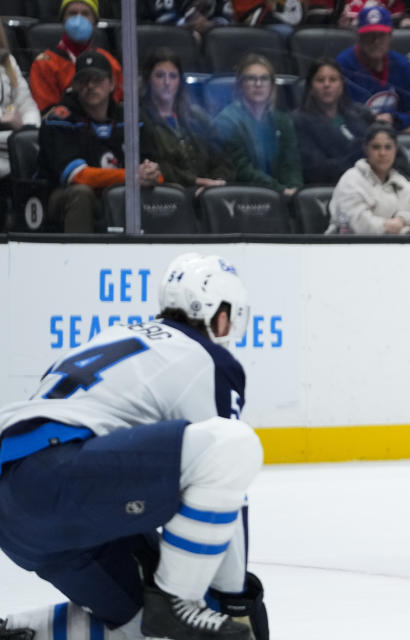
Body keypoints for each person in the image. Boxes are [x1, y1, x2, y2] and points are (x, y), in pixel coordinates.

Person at [0, 254, 268, 640]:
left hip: (17, 508)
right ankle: (178, 601)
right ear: (220, 315)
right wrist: (232, 597)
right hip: (60, 475)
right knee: (234, 445)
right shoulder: (209, 358)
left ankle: (21, 632)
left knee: (147, 629)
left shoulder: (119, 335)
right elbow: (224, 479)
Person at [39, 51, 162, 233]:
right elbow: (78, 176)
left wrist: (151, 173)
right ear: (74, 86)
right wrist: (131, 177)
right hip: (60, 196)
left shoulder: (131, 117)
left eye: (97, 79)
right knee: (82, 194)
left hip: (118, 194)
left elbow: (153, 169)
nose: (90, 85)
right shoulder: (60, 120)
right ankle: (78, 259)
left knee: (165, 192)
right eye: (83, 80)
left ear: (111, 83)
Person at [140, 47, 234, 193]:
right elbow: (153, 166)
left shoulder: (197, 116)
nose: (167, 82)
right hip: (166, 195)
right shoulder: (140, 117)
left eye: (173, 76)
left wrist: (215, 182)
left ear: (180, 80)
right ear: (148, 79)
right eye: (159, 76)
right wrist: (196, 181)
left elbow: (222, 159)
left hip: (207, 192)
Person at [212, 53, 303, 195]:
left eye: (264, 78)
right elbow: (243, 170)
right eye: (251, 79)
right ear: (241, 84)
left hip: (283, 196)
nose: (258, 84)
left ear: (272, 85)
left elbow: (291, 165)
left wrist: (296, 191)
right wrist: (282, 191)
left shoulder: (282, 120)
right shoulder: (226, 121)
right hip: (243, 197)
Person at [336, 4, 410, 134]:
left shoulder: (402, 65)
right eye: (369, 35)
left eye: (381, 35)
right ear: (358, 37)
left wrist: (395, 119)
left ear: (390, 36)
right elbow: (339, 117)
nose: (375, 42)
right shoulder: (344, 65)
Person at [329, 123, 410, 234]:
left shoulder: (404, 184)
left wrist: (402, 219)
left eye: (388, 147)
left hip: (396, 247)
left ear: (395, 149)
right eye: (376, 147)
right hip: (347, 247)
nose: (382, 153)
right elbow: (360, 226)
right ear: (366, 148)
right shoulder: (351, 180)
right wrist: (402, 231)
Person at [293, 58, 378, 185]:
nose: (327, 85)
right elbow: (315, 169)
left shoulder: (362, 115)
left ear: (341, 86)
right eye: (320, 80)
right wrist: (359, 161)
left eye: (333, 80)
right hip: (331, 187)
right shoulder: (298, 122)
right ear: (310, 87)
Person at [29, 0, 124, 115]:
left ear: (95, 21)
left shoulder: (109, 62)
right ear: (63, 20)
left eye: (85, 14)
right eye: (72, 13)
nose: (79, 20)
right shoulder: (44, 64)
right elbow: (47, 112)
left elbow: (119, 106)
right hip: (64, 129)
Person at [0, 29, 40, 179]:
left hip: (10, 143)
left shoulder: (7, 61)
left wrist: (27, 129)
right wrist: (4, 119)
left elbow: (27, 105)